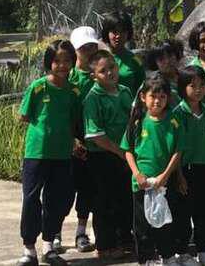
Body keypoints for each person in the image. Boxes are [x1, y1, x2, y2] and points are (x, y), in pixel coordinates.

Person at [16, 38, 80, 266]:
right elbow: (24, 115)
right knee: (31, 199)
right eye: (57, 61)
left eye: (67, 60)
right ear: (49, 62)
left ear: (73, 62)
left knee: (56, 200)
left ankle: (48, 247)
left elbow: (74, 121)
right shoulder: (38, 87)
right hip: (37, 153)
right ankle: (29, 249)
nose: (62, 65)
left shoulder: (73, 92)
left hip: (62, 154)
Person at [121, 73, 183, 266]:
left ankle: (168, 256)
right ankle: (146, 258)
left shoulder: (173, 121)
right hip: (141, 184)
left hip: (165, 182)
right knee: (142, 225)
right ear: (143, 97)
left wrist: (166, 175)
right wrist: (137, 174)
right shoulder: (137, 121)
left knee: (166, 221)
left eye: (162, 96)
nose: (157, 101)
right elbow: (128, 150)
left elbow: (178, 151)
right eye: (153, 96)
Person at [82, 49, 134, 261]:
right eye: (103, 71)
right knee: (104, 202)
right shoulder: (93, 98)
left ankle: (125, 238)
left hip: (125, 155)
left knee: (125, 198)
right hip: (103, 156)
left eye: (112, 67)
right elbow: (96, 135)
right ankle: (105, 245)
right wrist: (120, 151)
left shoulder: (125, 91)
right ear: (94, 76)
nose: (110, 73)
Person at [173, 66, 205, 266]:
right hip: (186, 169)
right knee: (184, 213)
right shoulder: (178, 113)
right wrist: (179, 175)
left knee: (204, 212)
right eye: (193, 86)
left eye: (202, 85)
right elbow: (176, 149)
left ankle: (203, 250)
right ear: (183, 88)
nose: (198, 90)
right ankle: (182, 252)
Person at [65, 26, 102, 253]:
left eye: (92, 46)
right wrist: (71, 140)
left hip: (93, 140)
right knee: (64, 190)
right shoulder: (67, 76)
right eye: (83, 47)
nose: (89, 51)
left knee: (88, 189)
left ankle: (81, 232)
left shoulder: (99, 76)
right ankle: (54, 233)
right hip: (70, 139)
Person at [102, 11, 145, 96]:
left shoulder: (135, 60)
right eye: (114, 32)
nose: (118, 36)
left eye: (123, 31)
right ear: (107, 33)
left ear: (128, 33)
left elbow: (142, 89)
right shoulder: (98, 59)